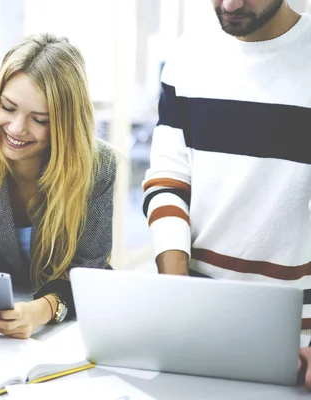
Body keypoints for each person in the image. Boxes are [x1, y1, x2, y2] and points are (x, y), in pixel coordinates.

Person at [142, 0, 311, 390]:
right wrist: (175, 290)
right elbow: (168, 178)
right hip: (196, 320)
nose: (230, 5)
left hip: (295, 336)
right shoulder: (188, 55)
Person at [0, 33, 116, 340]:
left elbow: (88, 270)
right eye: (8, 107)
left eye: (39, 119)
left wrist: (40, 310)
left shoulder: (98, 167)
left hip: (72, 323)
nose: (16, 128)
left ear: (64, 124)